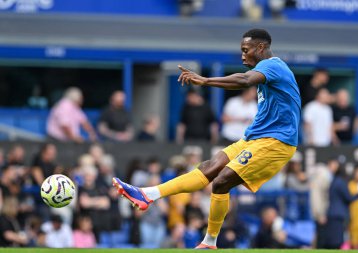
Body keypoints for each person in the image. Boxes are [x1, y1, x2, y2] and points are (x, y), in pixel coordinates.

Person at [113, 28, 300, 249]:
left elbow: (244, 80)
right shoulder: (267, 70)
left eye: (245, 50)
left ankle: (210, 241)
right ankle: (147, 195)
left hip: (276, 142)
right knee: (210, 167)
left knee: (221, 181)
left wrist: (205, 80)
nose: (242, 55)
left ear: (260, 48)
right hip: (254, 138)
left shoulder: (273, 66)